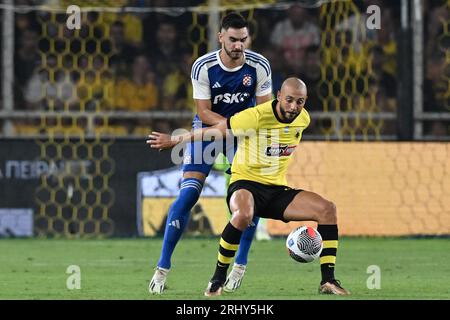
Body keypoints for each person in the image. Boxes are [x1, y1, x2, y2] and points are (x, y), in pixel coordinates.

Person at [147, 77, 350, 296]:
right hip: (245, 184)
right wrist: (175, 140)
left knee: (328, 210)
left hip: (276, 190)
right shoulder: (255, 116)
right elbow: (216, 130)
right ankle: (217, 279)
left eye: (299, 102)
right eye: (289, 100)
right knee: (243, 214)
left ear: (305, 101)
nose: (293, 107)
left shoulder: (303, 119)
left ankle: (327, 281)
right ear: (278, 95)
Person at [148, 12, 273, 294]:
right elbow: (203, 111)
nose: (239, 45)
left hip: (244, 134)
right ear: (221, 38)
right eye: (233, 39)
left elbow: (265, 111)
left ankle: (239, 267)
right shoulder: (203, 66)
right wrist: (227, 127)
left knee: (248, 199)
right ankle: (161, 269)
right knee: (189, 193)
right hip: (208, 130)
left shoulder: (259, 65)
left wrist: (243, 131)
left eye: (243, 39)